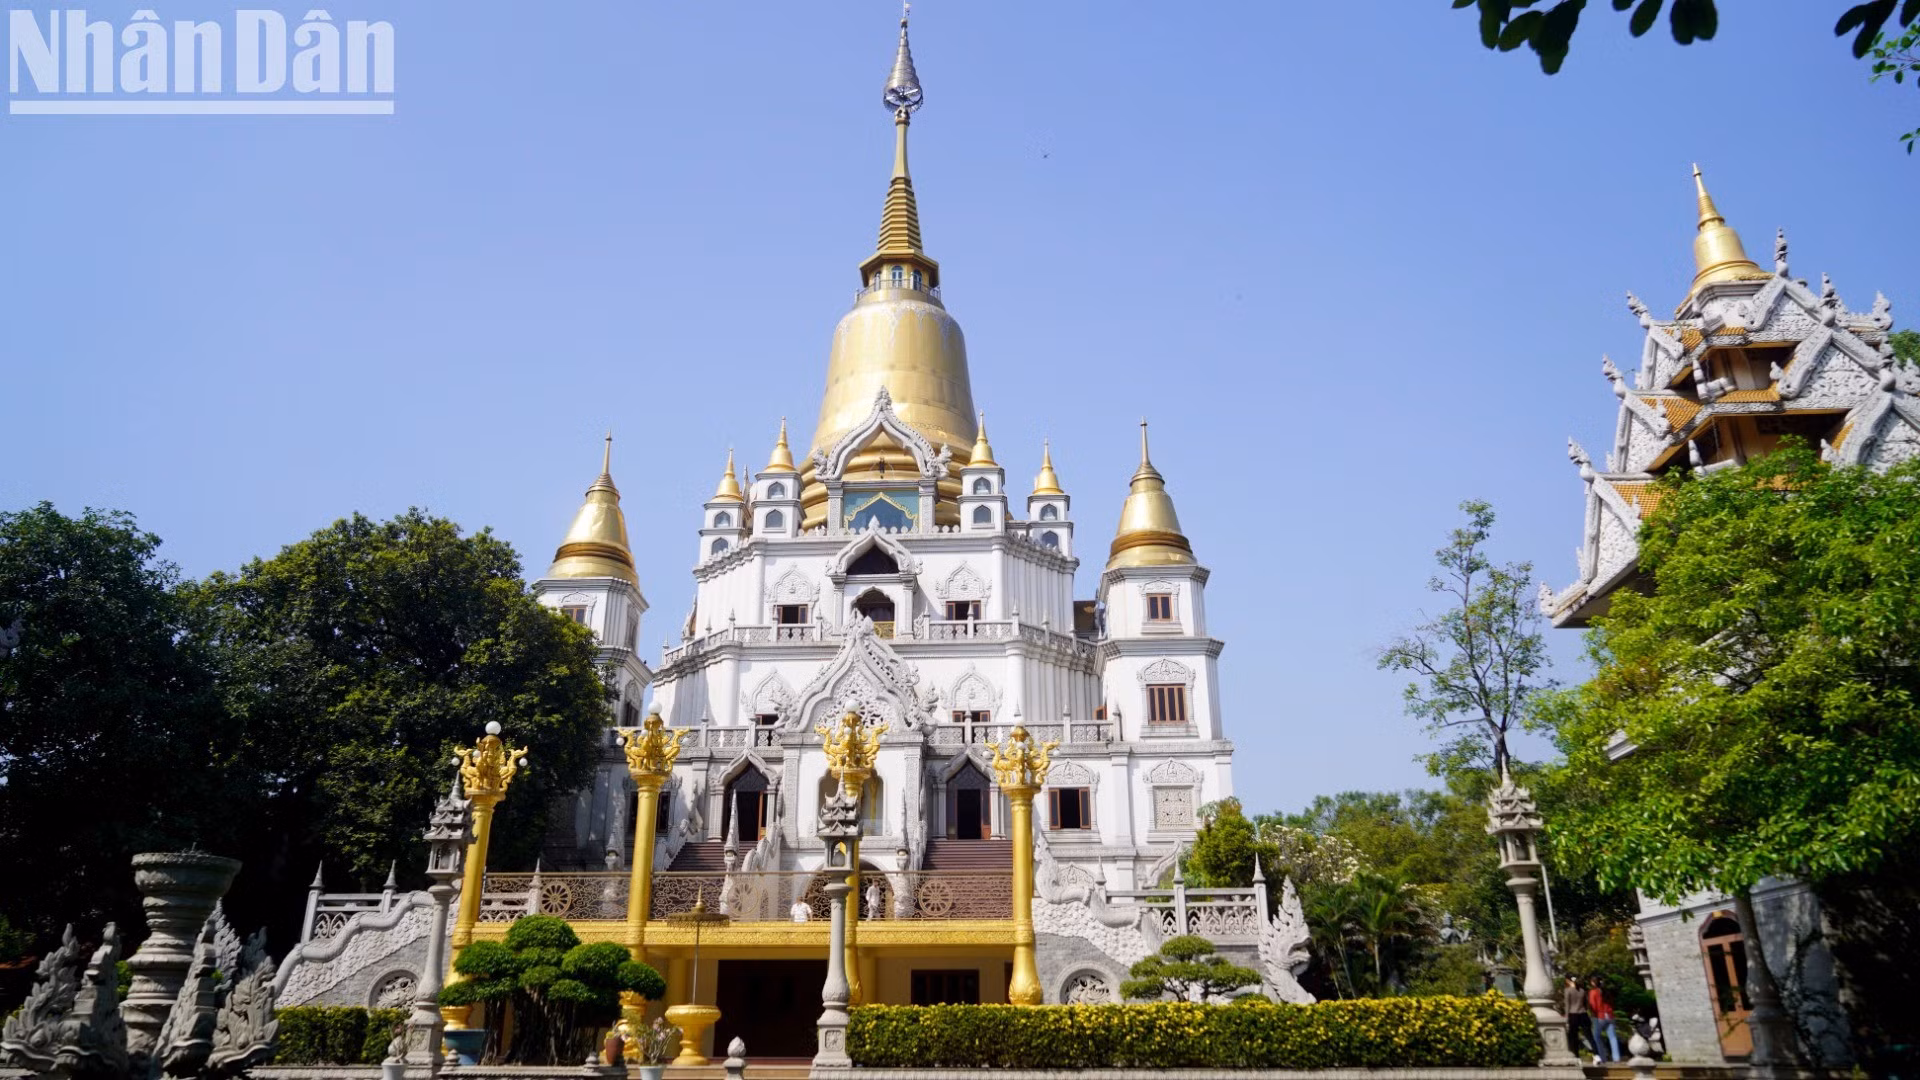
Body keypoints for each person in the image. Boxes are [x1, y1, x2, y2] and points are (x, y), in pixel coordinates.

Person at [1587, 976, 1620, 1063]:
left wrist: (1592, 1015)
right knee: (1613, 1037)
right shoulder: (1606, 991)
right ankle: (1616, 1057)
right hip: (1609, 1015)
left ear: (1593, 983)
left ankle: (1602, 1057)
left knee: (1597, 1037)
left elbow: (1593, 1005)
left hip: (1599, 1016)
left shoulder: (1593, 992)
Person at [1563, 975, 1590, 1058]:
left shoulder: (1568, 990)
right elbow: (1586, 1004)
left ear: (1568, 980)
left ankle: (1575, 1054)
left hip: (1573, 1014)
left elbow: (1567, 1005)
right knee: (1588, 1034)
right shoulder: (1582, 990)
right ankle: (1596, 1053)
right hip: (1582, 1013)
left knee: (1573, 1036)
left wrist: (1566, 1018)